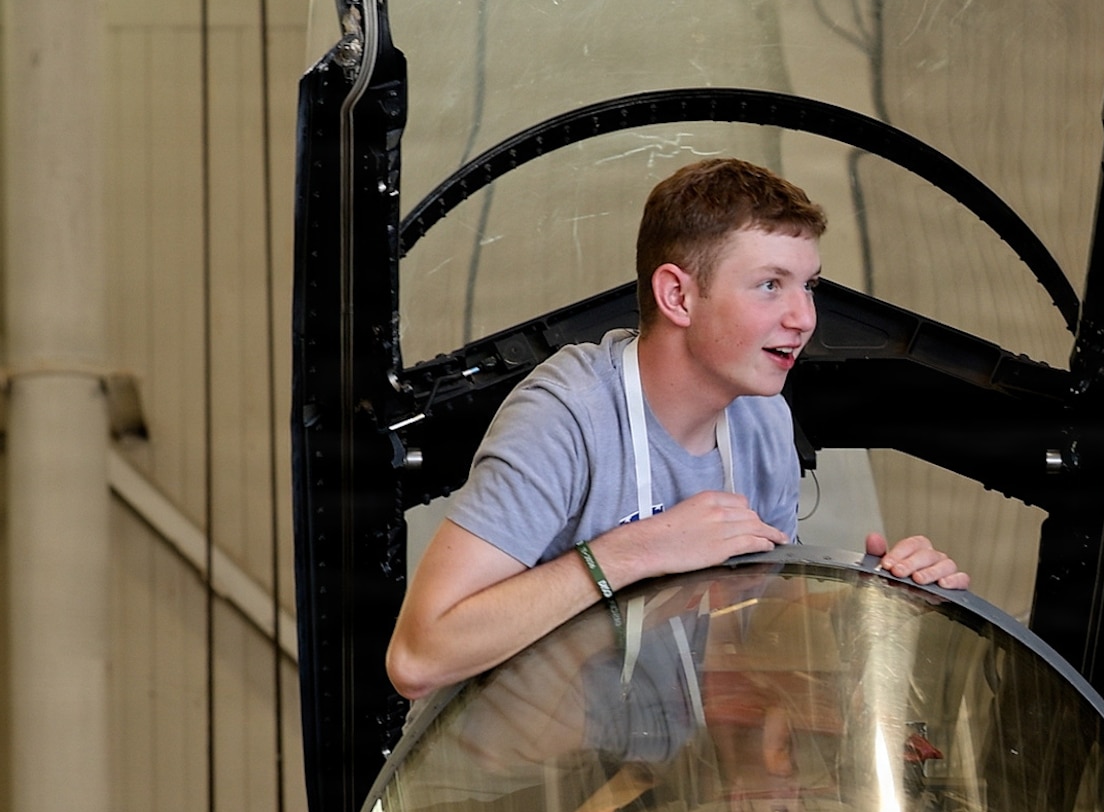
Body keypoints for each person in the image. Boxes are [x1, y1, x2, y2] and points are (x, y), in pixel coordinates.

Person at [386, 158, 967, 698]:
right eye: (771, 284)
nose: (804, 318)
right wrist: (634, 552)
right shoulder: (566, 415)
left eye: (807, 285)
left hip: (652, 778)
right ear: (677, 295)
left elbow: (742, 629)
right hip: (509, 793)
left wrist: (875, 597)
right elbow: (419, 657)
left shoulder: (762, 419)